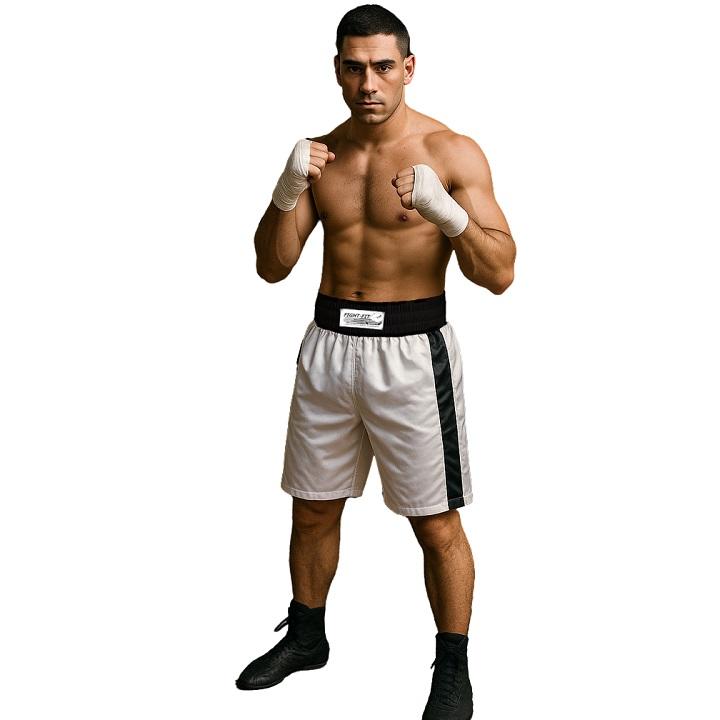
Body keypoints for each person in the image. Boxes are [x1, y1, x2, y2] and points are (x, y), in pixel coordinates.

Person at [236, 5, 515, 718]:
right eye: (355, 68)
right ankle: (307, 637)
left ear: (408, 68)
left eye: (384, 67)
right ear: (336, 69)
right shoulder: (320, 155)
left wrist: (449, 215)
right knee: (312, 509)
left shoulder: (452, 152)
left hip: (412, 354)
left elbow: (500, 273)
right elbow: (272, 266)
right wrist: (285, 192)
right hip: (328, 346)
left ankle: (452, 668)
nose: (369, 83)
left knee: (435, 522)